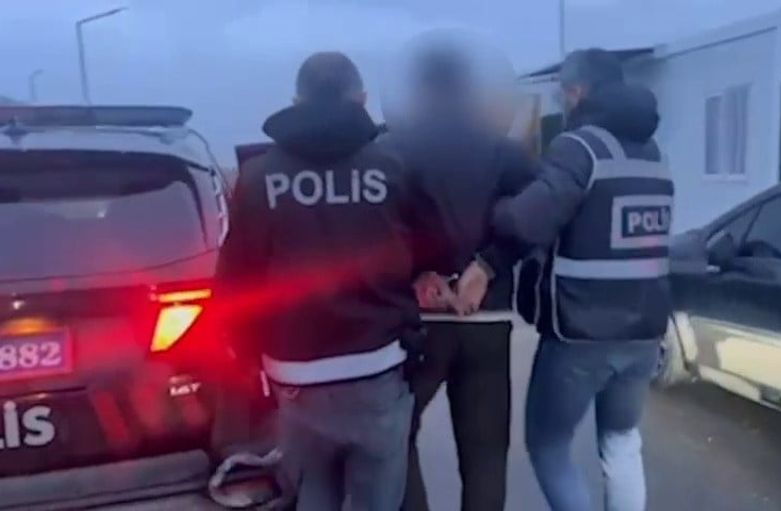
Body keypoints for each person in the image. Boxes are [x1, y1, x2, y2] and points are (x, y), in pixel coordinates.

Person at [214, 51, 448, 511]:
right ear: (361, 99)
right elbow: (437, 245)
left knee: (312, 494)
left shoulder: (258, 177)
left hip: (293, 378)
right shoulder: (393, 165)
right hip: (378, 368)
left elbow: (235, 282)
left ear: (296, 102)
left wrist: (248, 354)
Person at [458, 48, 674, 511]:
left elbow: (526, 222)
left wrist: (499, 207)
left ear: (577, 91)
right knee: (621, 441)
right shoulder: (655, 154)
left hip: (581, 332)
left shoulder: (581, 148)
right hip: (645, 332)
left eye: (563, 94)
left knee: (548, 445)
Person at [379, 35, 538, 511]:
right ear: (469, 89)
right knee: (485, 455)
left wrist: (416, 273)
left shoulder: (389, 151)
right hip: (487, 321)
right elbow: (534, 220)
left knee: (394, 440)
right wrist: (488, 266)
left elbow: (377, 229)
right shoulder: (507, 153)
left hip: (418, 324)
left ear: (417, 90)